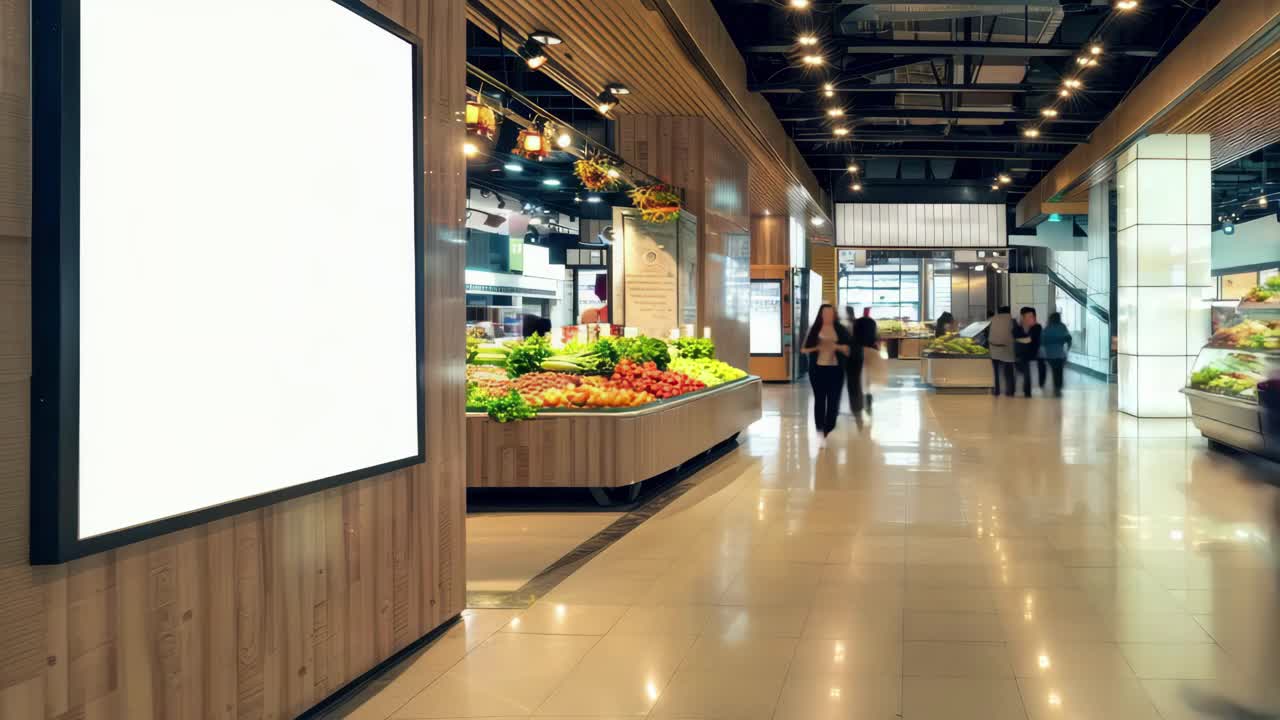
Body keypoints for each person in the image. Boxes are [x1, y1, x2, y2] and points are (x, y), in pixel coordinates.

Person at [801, 304, 852, 443]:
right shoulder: (814, 329)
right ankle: (819, 429)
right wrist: (817, 347)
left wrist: (837, 347)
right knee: (820, 399)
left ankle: (829, 426)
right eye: (825, 313)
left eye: (830, 313)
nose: (828, 316)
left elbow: (848, 350)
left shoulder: (840, 329)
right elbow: (804, 349)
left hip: (836, 370)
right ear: (821, 314)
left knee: (834, 400)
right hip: (818, 370)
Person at [852, 308, 879, 414]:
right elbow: (876, 337)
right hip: (870, 351)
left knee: (858, 376)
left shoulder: (857, 322)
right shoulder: (872, 322)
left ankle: (859, 401)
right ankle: (868, 399)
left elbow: (854, 337)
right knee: (868, 377)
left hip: (859, 351)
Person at [1040, 312, 1072, 397]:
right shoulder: (1062, 327)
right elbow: (1068, 338)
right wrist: (1068, 347)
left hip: (1050, 354)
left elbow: (1042, 341)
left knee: (1054, 371)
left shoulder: (1048, 328)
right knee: (1059, 371)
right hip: (1060, 354)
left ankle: (1056, 387)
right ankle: (1058, 387)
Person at [1013, 306, 1043, 398]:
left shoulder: (1037, 327)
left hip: (1031, 355)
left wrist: (1018, 340)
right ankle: (1022, 391)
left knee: (1026, 373)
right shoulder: (1018, 327)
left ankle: (1027, 392)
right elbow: (1017, 336)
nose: (1031, 318)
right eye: (1027, 316)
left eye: (1032, 316)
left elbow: (1028, 340)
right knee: (1021, 371)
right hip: (1020, 355)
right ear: (1022, 317)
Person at [987, 306, 1016, 396]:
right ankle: (1010, 391)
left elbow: (987, 332)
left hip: (994, 348)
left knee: (995, 372)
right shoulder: (1012, 320)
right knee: (1008, 372)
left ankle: (996, 390)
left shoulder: (991, 319)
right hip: (1008, 349)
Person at [843, 306, 865, 422]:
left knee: (853, 383)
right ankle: (857, 406)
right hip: (857, 356)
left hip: (851, 357)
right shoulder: (857, 324)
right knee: (855, 381)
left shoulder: (847, 326)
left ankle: (855, 407)